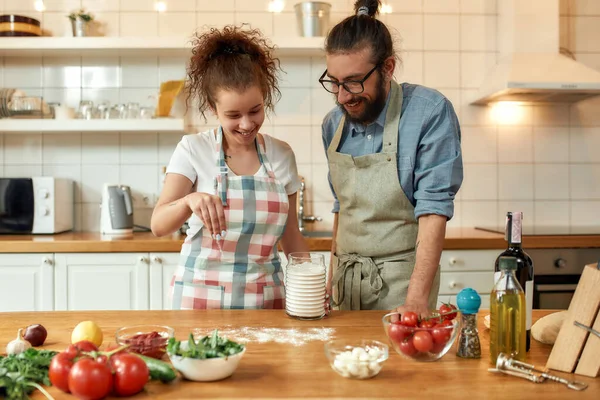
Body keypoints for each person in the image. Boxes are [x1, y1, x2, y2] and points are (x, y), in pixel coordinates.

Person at [320, 0, 463, 315]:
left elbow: (433, 211)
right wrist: (329, 282)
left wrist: (415, 301)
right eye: (335, 82)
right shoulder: (333, 124)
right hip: (346, 286)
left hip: (402, 288)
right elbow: (342, 209)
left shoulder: (429, 112)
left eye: (354, 82)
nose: (343, 96)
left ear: (387, 68)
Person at [151, 25, 309, 310]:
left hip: (266, 302)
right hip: (199, 302)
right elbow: (159, 225)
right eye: (233, 115)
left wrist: (310, 282)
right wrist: (189, 200)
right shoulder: (192, 149)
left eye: (255, 110)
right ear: (213, 109)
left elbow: (292, 237)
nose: (247, 124)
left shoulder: (281, 155)